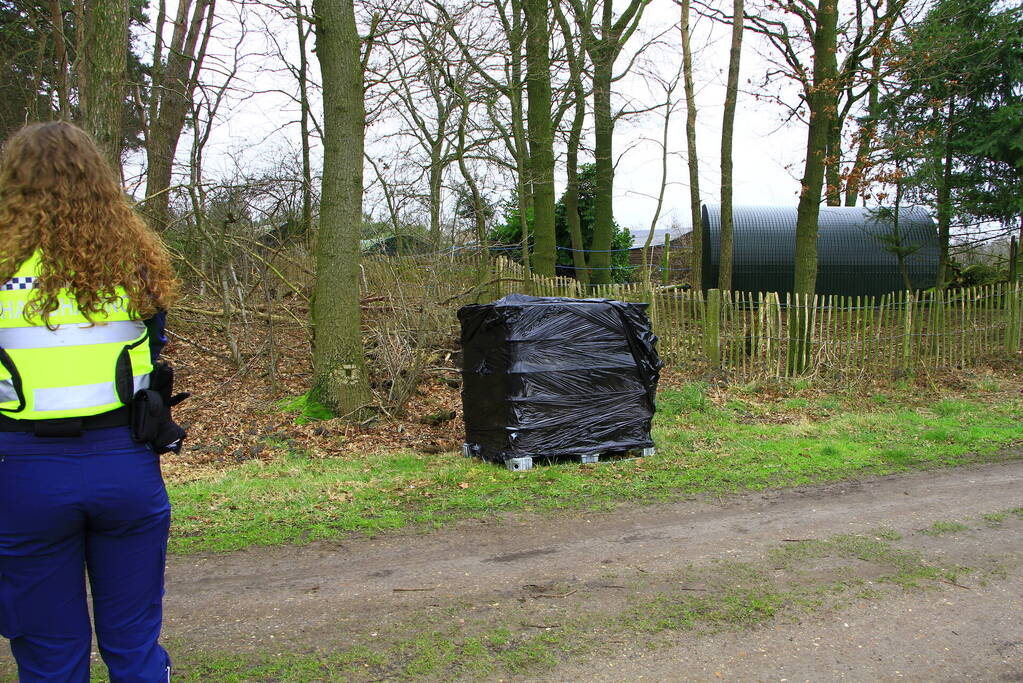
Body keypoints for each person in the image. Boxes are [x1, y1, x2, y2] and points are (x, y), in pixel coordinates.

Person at [0, 121, 179, 682]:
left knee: (50, 658)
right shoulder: (136, 269)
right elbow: (154, 353)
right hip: (124, 467)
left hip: (22, 475)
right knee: (134, 647)